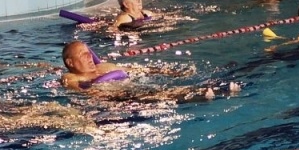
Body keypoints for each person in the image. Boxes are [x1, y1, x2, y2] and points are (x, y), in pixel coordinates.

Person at [57, 42, 235, 101]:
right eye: (82, 55)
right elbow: (77, 88)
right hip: (114, 99)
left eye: (89, 53)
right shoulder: (70, 77)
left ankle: (209, 91)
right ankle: (199, 96)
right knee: (156, 96)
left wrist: (171, 72)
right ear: (70, 62)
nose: (89, 57)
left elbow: (138, 69)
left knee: (158, 90)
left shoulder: (105, 67)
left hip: (130, 86)